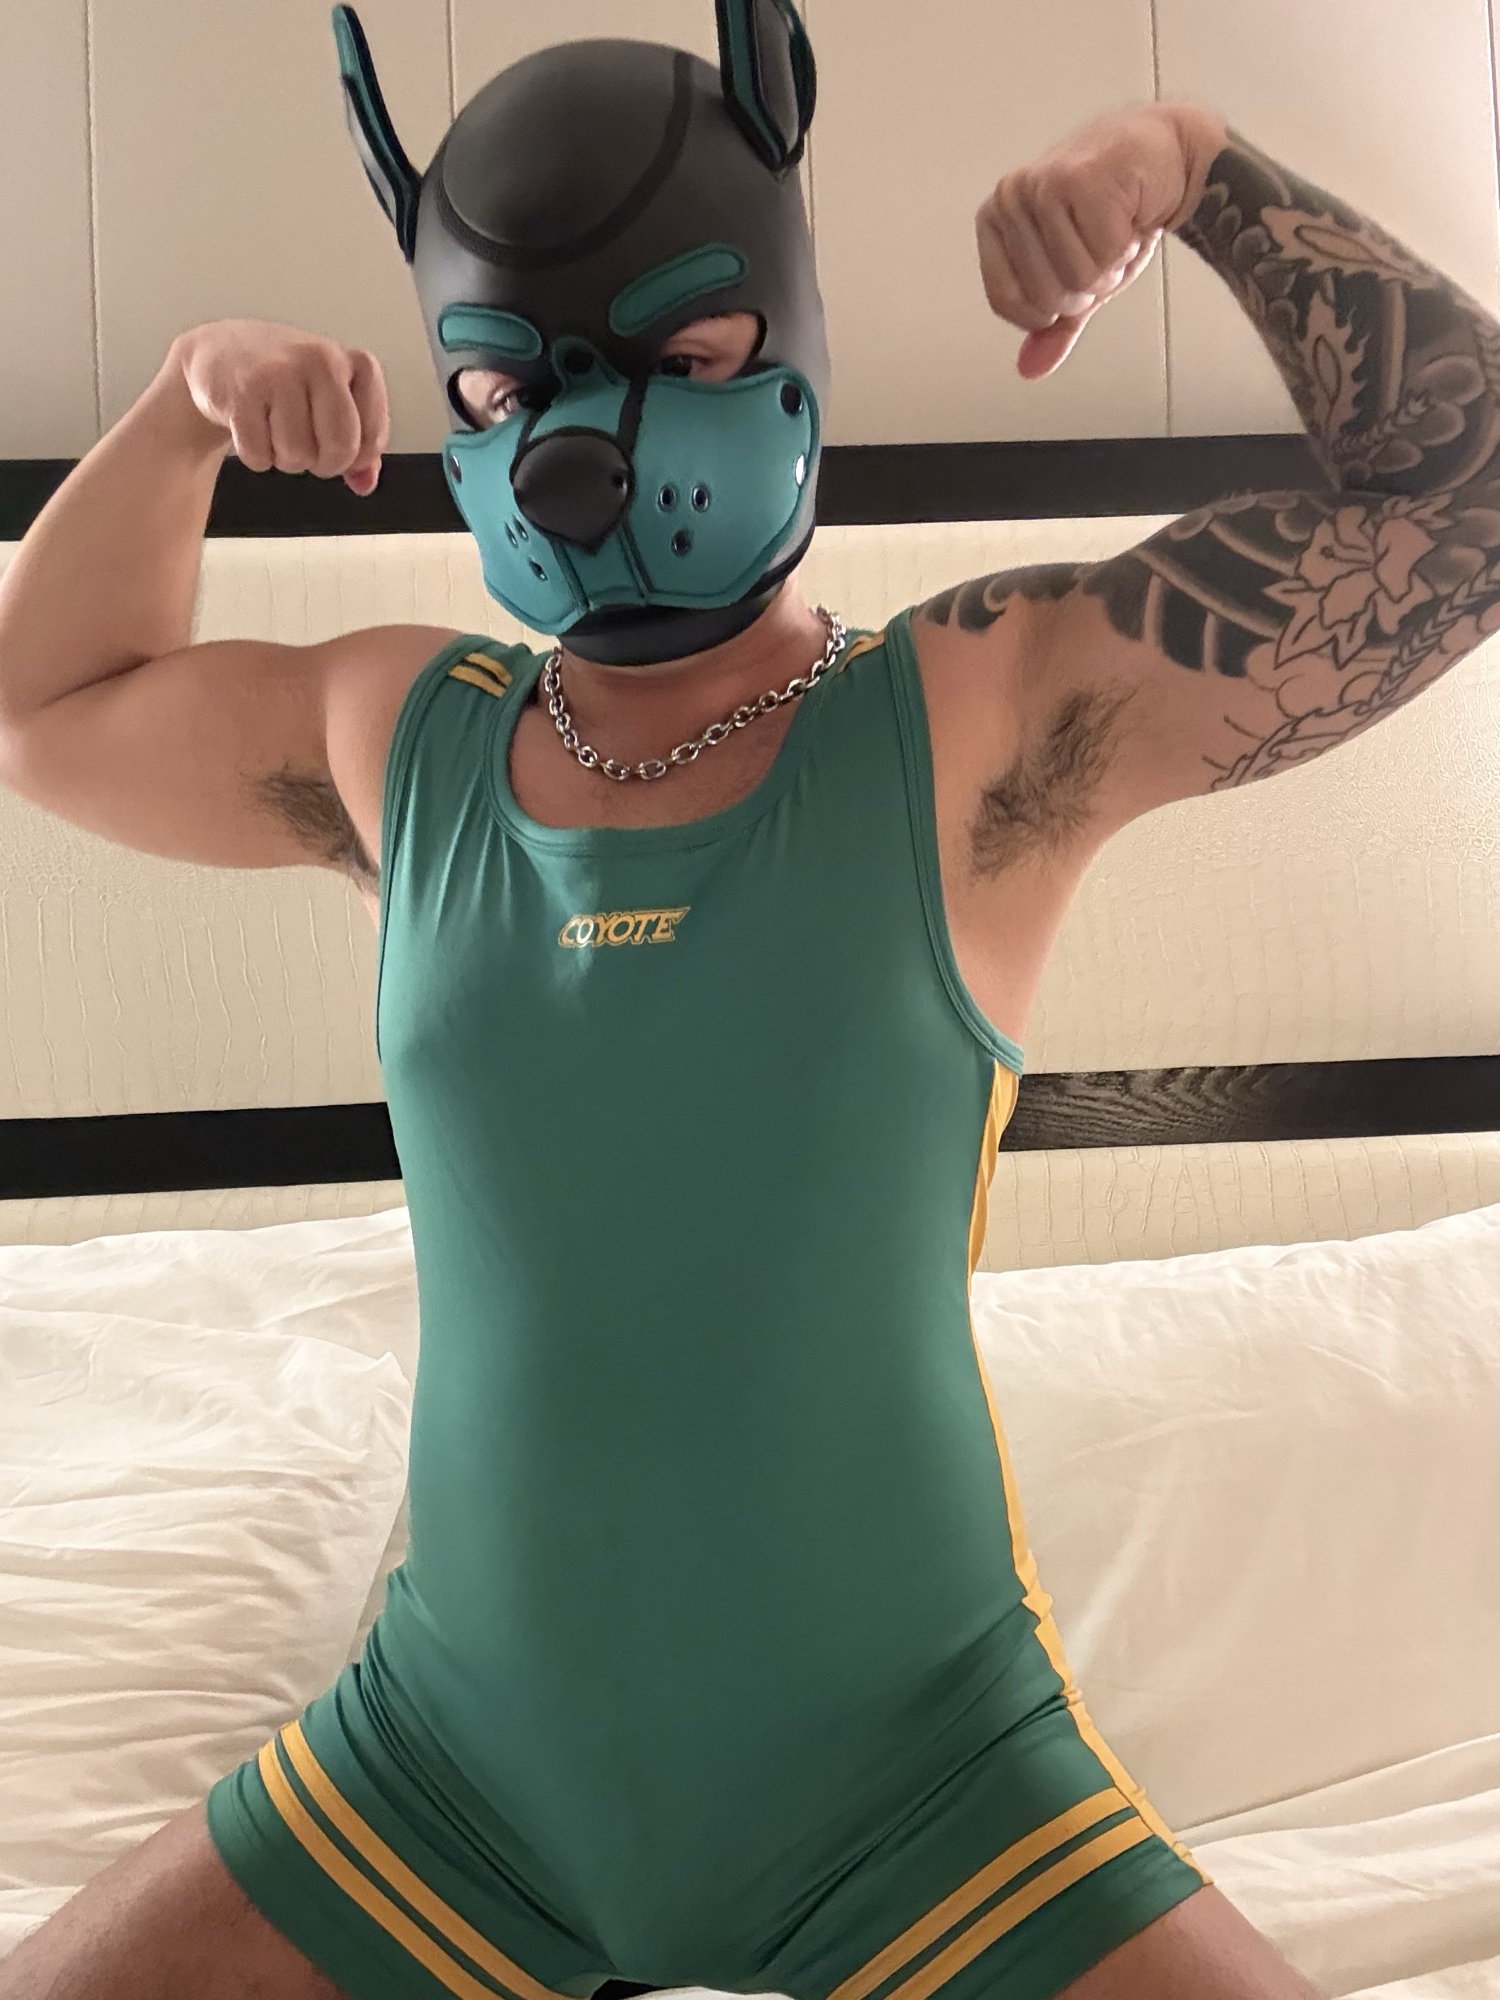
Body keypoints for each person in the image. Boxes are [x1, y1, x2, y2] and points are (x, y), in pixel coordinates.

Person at [0, 2, 1495, 1994]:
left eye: (687, 358)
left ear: (785, 330)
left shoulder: (978, 713)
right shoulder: (400, 736)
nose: (584, 452)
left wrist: (1193, 168)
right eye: (501, 383)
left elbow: (1465, 505)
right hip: (443, 1788)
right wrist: (187, 400)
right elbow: (44, 702)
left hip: (930, 1803)